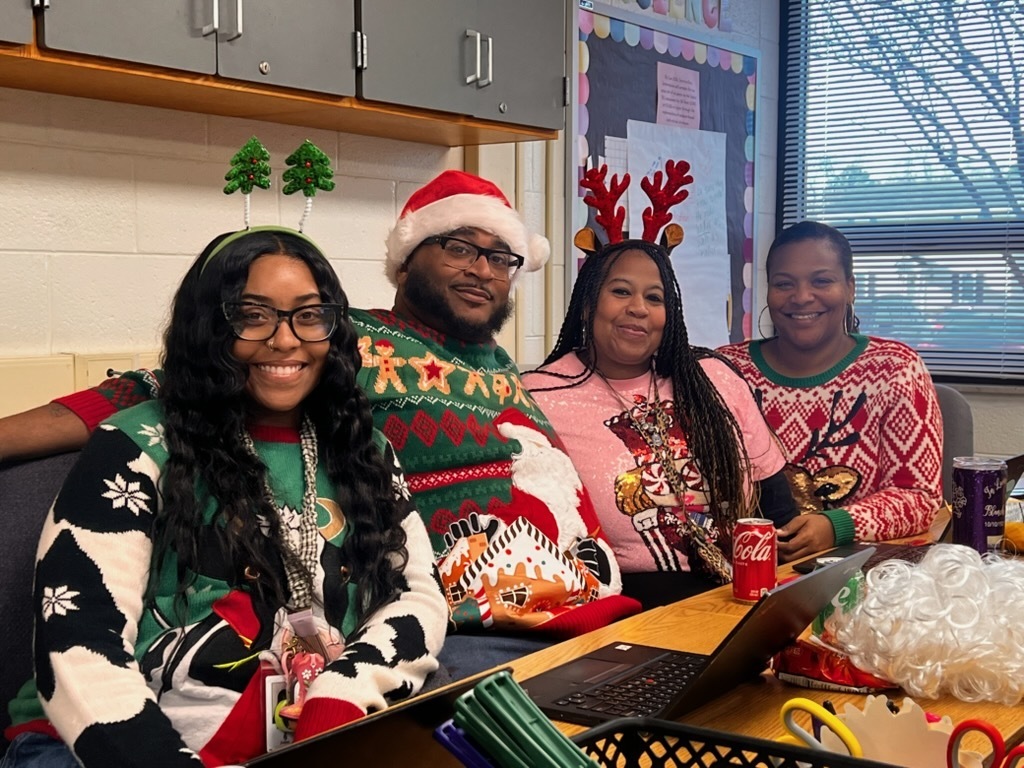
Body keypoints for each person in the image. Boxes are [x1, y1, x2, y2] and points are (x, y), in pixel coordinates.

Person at [0, 170, 641, 677]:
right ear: (408, 257)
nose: (482, 269)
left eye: (501, 257)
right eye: (460, 247)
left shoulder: (503, 366)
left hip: (604, 622)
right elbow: (169, 386)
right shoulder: (340, 339)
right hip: (482, 635)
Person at [3, 228, 448, 767]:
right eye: (252, 315)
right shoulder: (133, 446)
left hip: (298, 736)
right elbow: (78, 639)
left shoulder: (362, 447)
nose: (285, 340)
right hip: (98, 743)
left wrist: (344, 694)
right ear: (208, 327)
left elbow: (416, 594)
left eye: (309, 315)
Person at [523, 163, 797, 610]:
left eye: (655, 298)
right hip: (620, 610)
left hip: (741, 597)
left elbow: (778, 514)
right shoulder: (539, 396)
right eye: (620, 292)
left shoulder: (713, 378)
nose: (638, 309)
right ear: (588, 303)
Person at [717, 220, 943, 562]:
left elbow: (919, 498)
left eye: (822, 281)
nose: (802, 297)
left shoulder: (895, 369)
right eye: (783, 284)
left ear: (850, 288)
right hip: (737, 576)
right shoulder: (724, 371)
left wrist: (837, 525)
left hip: (854, 574)